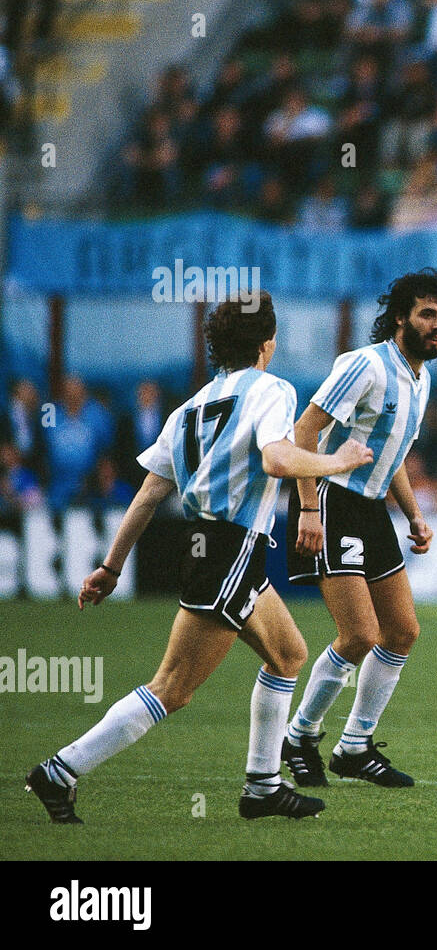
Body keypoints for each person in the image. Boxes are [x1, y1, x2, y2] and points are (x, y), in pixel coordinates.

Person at [25, 293, 373, 823]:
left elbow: (148, 493)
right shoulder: (271, 389)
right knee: (172, 688)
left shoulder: (191, 406)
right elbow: (277, 458)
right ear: (266, 344)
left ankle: (262, 787)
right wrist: (336, 459)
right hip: (228, 548)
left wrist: (111, 566)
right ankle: (61, 770)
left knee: (288, 654)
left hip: (212, 547)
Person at [282, 269, 437, 788]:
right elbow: (304, 431)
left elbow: (392, 454)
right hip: (332, 501)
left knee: (402, 632)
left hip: (373, 508)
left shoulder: (421, 378)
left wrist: (416, 514)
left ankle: (355, 746)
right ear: (400, 316)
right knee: (359, 634)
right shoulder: (365, 364)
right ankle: (300, 735)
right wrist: (309, 507)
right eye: (427, 314)